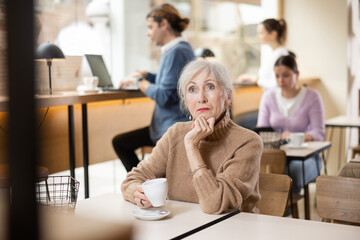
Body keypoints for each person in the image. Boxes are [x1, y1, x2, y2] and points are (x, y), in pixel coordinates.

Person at [121, 60, 263, 214]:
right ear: (186, 100)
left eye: (210, 87)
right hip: (180, 229)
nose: (201, 98)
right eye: (192, 89)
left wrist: (191, 146)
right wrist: (138, 193)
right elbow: (131, 180)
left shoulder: (248, 142)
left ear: (228, 96)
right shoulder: (175, 133)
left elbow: (214, 205)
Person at [112, 3, 195, 172]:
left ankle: (144, 183)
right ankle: (146, 183)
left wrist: (138, 83)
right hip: (166, 126)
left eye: (150, 27)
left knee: (120, 143)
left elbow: (165, 95)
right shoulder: (179, 50)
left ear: (163, 24)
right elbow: (172, 83)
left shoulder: (176, 52)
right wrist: (147, 75)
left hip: (170, 130)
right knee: (121, 142)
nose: (147, 33)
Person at [257, 55, 325, 193]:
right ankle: (273, 209)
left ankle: (283, 210)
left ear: (297, 74)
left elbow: (318, 133)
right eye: (277, 76)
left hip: (307, 157)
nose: (281, 80)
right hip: (277, 155)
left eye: (286, 75)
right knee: (265, 171)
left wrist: (292, 136)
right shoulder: (268, 97)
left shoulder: (312, 97)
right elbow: (261, 131)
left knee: (291, 172)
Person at [236, 18, 289, 90]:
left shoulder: (281, 55)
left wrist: (256, 79)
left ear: (273, 34)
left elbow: (276, 84)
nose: (257, 37)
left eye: (261, 33)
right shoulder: (269, 52)